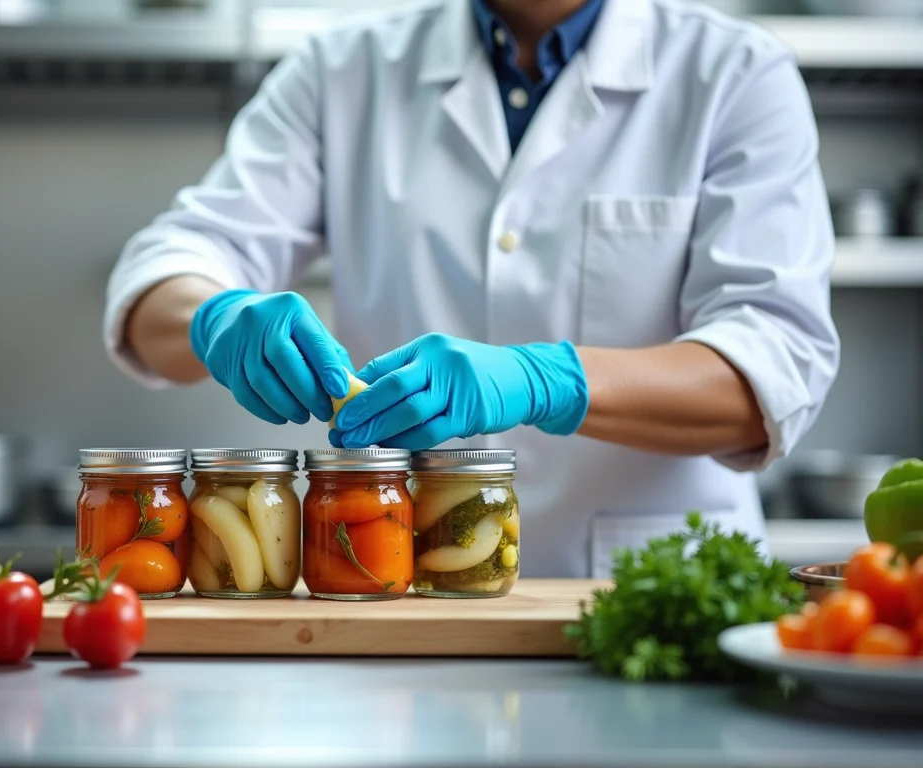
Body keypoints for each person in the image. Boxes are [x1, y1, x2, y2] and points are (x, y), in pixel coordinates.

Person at [102, 0, 839, 578]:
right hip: (401, 589)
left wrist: (546, 380)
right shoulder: (342, 68)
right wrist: (216, 318)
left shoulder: (736, 72)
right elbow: (163, 276)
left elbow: (772, 367)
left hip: (645, 590)